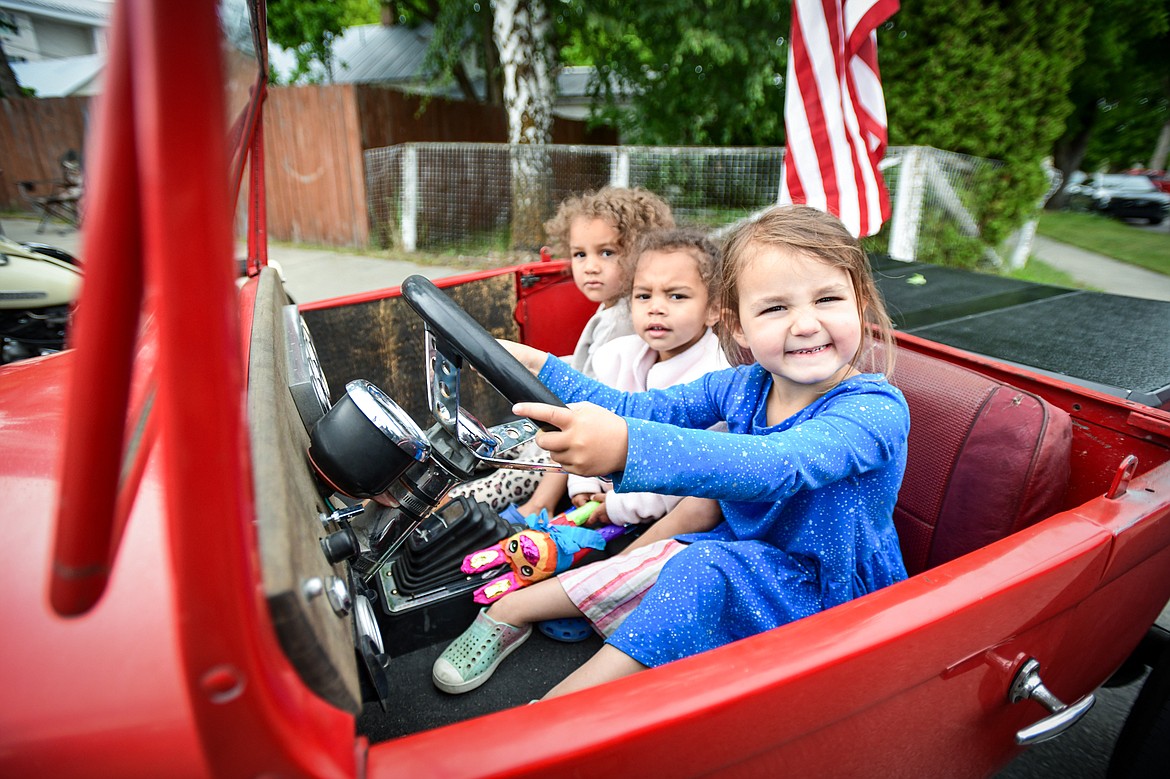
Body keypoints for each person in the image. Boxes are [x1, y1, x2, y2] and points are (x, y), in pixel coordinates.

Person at [431, 204, 910, 699]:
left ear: (861, 306)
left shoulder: (873, 410)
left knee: (699, 569)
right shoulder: (742, 385)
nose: (806, 324)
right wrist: (540, 366)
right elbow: (632, 407)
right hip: (746, 554)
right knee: (671, 560)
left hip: (832, 594)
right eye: (775, 307)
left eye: (828, 299)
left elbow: (777, 466)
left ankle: (556, 715)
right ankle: (514, 615)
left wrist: (624, 448)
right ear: (739, 326)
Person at [444, 186, 675, 517]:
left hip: (588, 427)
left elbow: (597, 396)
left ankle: (462, 507)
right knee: (491, 440)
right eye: (580, 254)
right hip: (572, 415)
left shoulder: (628, 320)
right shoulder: (610, 309)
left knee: (524, 460)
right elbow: (586, 366)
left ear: (642, 254)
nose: (590, 267)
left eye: (607, 253)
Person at [563, 227, 729, 527]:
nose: (655, 308)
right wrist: (581, 482)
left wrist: (617, 506)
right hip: (604, 496)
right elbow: (589, 421)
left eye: (676, 296)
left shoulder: (716, 380)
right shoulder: (618, 357)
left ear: (713, 309)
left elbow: (682, 469)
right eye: (643, 295)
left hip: (659, 516)